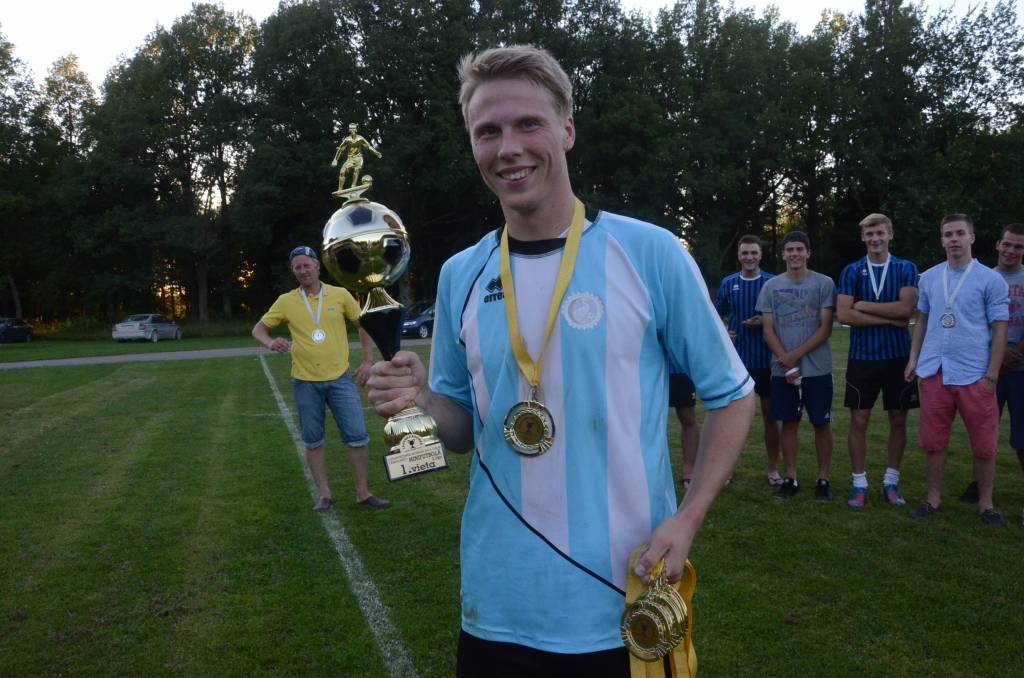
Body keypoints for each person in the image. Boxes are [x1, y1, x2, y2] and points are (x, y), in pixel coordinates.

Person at [367, 45, 754, 675]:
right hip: (497, 605)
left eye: (529, 124)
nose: (508, 148)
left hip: (626, 594)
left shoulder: (649, 252)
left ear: (567, 130)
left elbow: (732, 394)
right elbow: (460, 431)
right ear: (473, 146)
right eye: (488, 131)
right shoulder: (461, 273)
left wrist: (688, 518)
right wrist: (421, 402)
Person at [252, 245, 391, 512]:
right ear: (293, 271)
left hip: (341, 380)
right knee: (313, 440)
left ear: (317, 266)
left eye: (307, 265)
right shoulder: (285, 301)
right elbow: (258, 330)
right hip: (305, 382)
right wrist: (270, 343)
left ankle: (363, 492)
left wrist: (367, 361)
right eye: (298, 267)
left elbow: (364, 325)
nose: (303, 270)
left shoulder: (340, 294)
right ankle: (324, 495)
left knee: (358, 436)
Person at [903, 214, 1008, 525]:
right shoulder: (929, 278)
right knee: (933, 441)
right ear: (942, 240)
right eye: (948, 234)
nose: (954, 239)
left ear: (971, 238)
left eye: (960, 233)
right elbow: (922, 321)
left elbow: (1000, 328)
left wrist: (992, 374)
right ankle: (932, 499)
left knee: (984, 444)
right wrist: (913, 359)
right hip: (935, 370)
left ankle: (986, 505)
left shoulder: (990, 280)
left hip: (974, 372)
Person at [835, 213, 919, 508]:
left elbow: (906, 310)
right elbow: (844, 314)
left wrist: (864, 306)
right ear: (863, 237)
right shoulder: (851, 271)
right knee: (859, 419)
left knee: (898, 418)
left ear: (890, 234)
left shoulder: (906, 268)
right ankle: (859, 484)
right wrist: (889, 317)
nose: (875, 239)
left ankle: (891, 482)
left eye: (880, 233)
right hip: (862, 357)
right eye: (869, 234)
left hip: (898, 357)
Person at [756, 230, 836, 501]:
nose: (795, 254)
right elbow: (768, 330)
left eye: (800, 249)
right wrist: (787, 363)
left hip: (817, 369)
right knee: (788, 423)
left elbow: (825, 329)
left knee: (821, 423)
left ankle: (823, 479)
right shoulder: (771, 286)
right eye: (790, 250)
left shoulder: (824, 283)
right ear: (783, 254)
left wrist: (795, 356)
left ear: (808, 253)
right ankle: (791, 478)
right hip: (782, 371)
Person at [960, 223, 1024, 524]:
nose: (1011, 250)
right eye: (1007, 244)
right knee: (983, 430)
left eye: (1018, 246)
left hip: (1020, 368)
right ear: (998, 244)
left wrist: (1015, 353)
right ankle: (978, 484)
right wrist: (994, 361)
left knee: (1021, 437)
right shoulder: (982, 277)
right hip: (986, 368)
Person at [716, 234, 781, 485]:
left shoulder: (772, 282)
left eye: (754, 253)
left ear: (760, 255)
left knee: (770, 417)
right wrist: (725, 333)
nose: (749, 257)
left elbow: (783, 317)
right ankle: (727, 470)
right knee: (733, 420)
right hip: (737, 362)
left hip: (767, 360)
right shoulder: (728, 283)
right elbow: (715, 316)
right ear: (739, 255)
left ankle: (773, 469)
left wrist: (764, 321)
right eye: (745, 253)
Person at [669, 373, 700, 491]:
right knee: (651, 420)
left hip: (679, 371)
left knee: (687, 418)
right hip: (653, 370)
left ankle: (690, 472)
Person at [331, 122, 382, 193]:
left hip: (358, 158)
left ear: (356, 130)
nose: (352, 130)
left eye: (354, 129)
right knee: (342, 172)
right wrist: (335, 159)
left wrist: (375, 152)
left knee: (356, 169)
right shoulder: (347, 140)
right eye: (351, 129)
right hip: (350, 159)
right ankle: (340, 189)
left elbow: (368, 146)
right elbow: (340, 149)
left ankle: (353, 185)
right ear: (349, 130)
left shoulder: (360, 138)